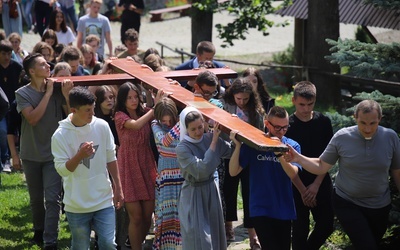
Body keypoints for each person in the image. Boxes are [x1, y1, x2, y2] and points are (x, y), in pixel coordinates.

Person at [285, 99, 400, 250]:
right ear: (355, 118)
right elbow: (321, 165)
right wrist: (298, 158)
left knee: (370, 244)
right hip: (348, 202)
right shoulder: (343, 137)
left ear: (380, 119)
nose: (367, 128)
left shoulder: (390, 137)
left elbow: (397, 171)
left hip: (380, 205)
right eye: (363, 123)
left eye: (373, 123)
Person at [51, 86, 124, 249]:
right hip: (76, 204)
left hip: (103, 199)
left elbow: (111, 157)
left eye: (93, 109)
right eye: (87, 110)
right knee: (81, 246)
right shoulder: (60, 135)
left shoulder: (102, 126)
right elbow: (62, 170)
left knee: (107, 243)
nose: (92, 114)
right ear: (73, 110)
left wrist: (118, 188)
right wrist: (80, 156)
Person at [15, 53, 73, 249]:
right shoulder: (22, 93)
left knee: (52, 198)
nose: (48, 65)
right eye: (42, 64)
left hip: (53, 155)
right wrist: (47, 94)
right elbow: (32, 119)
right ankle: (38, 231)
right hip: (30, 154)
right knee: (36, 199)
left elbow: (73, 117)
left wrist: (65, 96)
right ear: (32, 71)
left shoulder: (57, 89)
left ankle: (50, 240)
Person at [229, 106, 301, 249]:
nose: (281, 132)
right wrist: (237, 146)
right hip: (260, 208)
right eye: (277, 128)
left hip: (283, 209)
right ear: (267, 124)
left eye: (285, 128)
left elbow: (293, 174)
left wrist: (279, 152)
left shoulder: (292, 146)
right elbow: (233, 171)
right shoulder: (254, 144)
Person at [284, 81, 334, 250]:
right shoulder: (288, 126)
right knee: (299, 229)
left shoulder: (324, 122)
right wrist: (303, 190)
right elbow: (287, 160)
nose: (306, 109)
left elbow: (329, 156)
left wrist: (316, 185)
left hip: (320, 179)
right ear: (293, 101)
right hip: (296, 182)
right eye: (301, 104)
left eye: (310, 104)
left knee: (326, 224)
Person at [114, 82, 163, 250]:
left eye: (136, 96)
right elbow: (135, 125)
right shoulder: (119, 115)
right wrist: (154, 109)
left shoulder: (145, 112)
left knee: (148, 215)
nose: (134, 100)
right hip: (128, 164)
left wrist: (154, 104)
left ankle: (135, 243)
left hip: (146, 161)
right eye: (129, 98)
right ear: (123, 99)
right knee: (136, 216)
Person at [176, 107, 233, 250]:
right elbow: (200, 171)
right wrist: (214, 142)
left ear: (204, 123)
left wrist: (231, 130)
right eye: (193, 129)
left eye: (200, 127)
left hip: (211, 191)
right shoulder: (182, 148)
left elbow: (230, 151)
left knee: (214, 233)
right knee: (199, 238)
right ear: (186, 128)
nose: (198, 132)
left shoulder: (209, 137)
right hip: (194, 194)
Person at [222, 77, 264, 249]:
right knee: (229, 190)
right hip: (229, 153)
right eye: (239, 98)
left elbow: (260, 132)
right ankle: (228, 225)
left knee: (249, 192)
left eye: (245, 99)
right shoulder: (226, 105)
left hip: (249, 155)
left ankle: (252, 232)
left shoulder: (255, 109)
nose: (241, 102)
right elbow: (221, 130)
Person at [151, 97, 183, 249]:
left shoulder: (182, 125)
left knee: (183, 214)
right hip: (166, 181)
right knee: (167, 215)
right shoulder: (155, 125)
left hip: (182, 176)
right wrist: (181, 121)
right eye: (164, 121)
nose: (168, 124)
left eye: (170, 120)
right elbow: (164, 142)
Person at [0, 40, 23, 173]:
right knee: (2, 131)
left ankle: (10, 158)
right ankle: (5, 158)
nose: (7, 57)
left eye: (9, 53)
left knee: (13, 133)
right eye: (3, 53)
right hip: (0, 107)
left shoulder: (17, 67)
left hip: (15, 106)